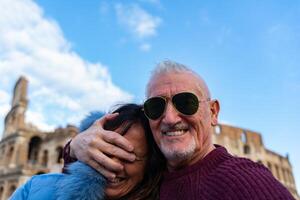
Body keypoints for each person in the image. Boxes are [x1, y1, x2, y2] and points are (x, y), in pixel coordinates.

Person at [65, 60, 294, 199]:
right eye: (156, 106)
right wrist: (74, 147)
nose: (170, 118)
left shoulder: (244, 182)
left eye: (186, 103)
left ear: (213, 113)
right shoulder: (151, 175)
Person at [10, 104, 165, 200]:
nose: (112, 164)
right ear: (88, 146)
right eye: (106, 148)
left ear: (150, 164)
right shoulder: (34, 190)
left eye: (128, 155)